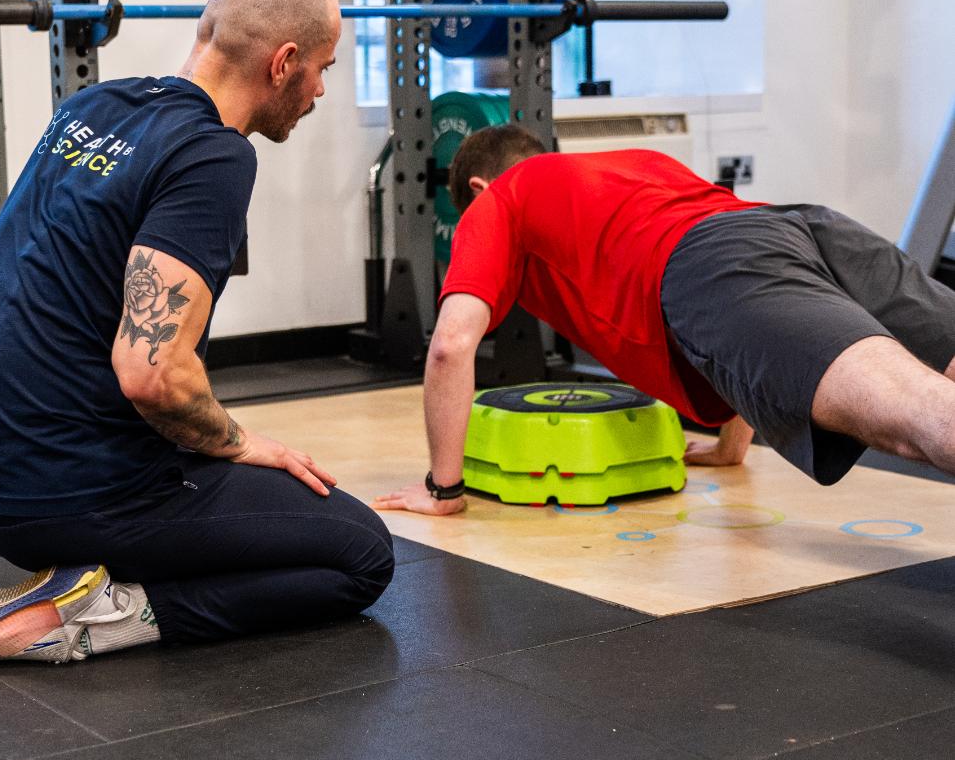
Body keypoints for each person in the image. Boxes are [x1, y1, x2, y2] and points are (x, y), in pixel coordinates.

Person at [0, 0, 394, 663]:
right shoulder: (214, 156)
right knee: (360, 554)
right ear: (282, 61)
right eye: (321, 68)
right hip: (63, 489)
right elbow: (150, 373)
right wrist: (238, 443)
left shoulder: (93, 107)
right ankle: (97, 618)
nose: (321, 89)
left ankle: (91, 572)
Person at [373, 125, 955, 517]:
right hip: (802, 226)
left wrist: (442, 489)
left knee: (913, 413)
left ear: (478, 186)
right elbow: (754, 310)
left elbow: (451, 344)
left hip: (715, 263)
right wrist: (731, 446)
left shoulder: (500, 198)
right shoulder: (635, 165)